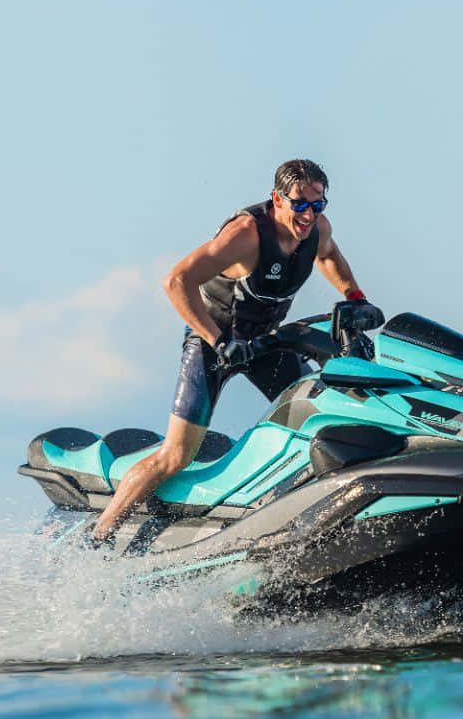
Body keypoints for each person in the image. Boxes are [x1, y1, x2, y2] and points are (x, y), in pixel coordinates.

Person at [91, 159, 381, 543]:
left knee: (322, 413)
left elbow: (328, 256)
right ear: (277, 199)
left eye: (317, 205)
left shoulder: (316, 228)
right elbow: (177, 281)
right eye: (298, 204)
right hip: (214, 343)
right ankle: (102, 532)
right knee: (178, 455)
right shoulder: (245, 236)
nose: (308, 214)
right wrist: (217, 340)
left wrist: (355, 296)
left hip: (266, 342)